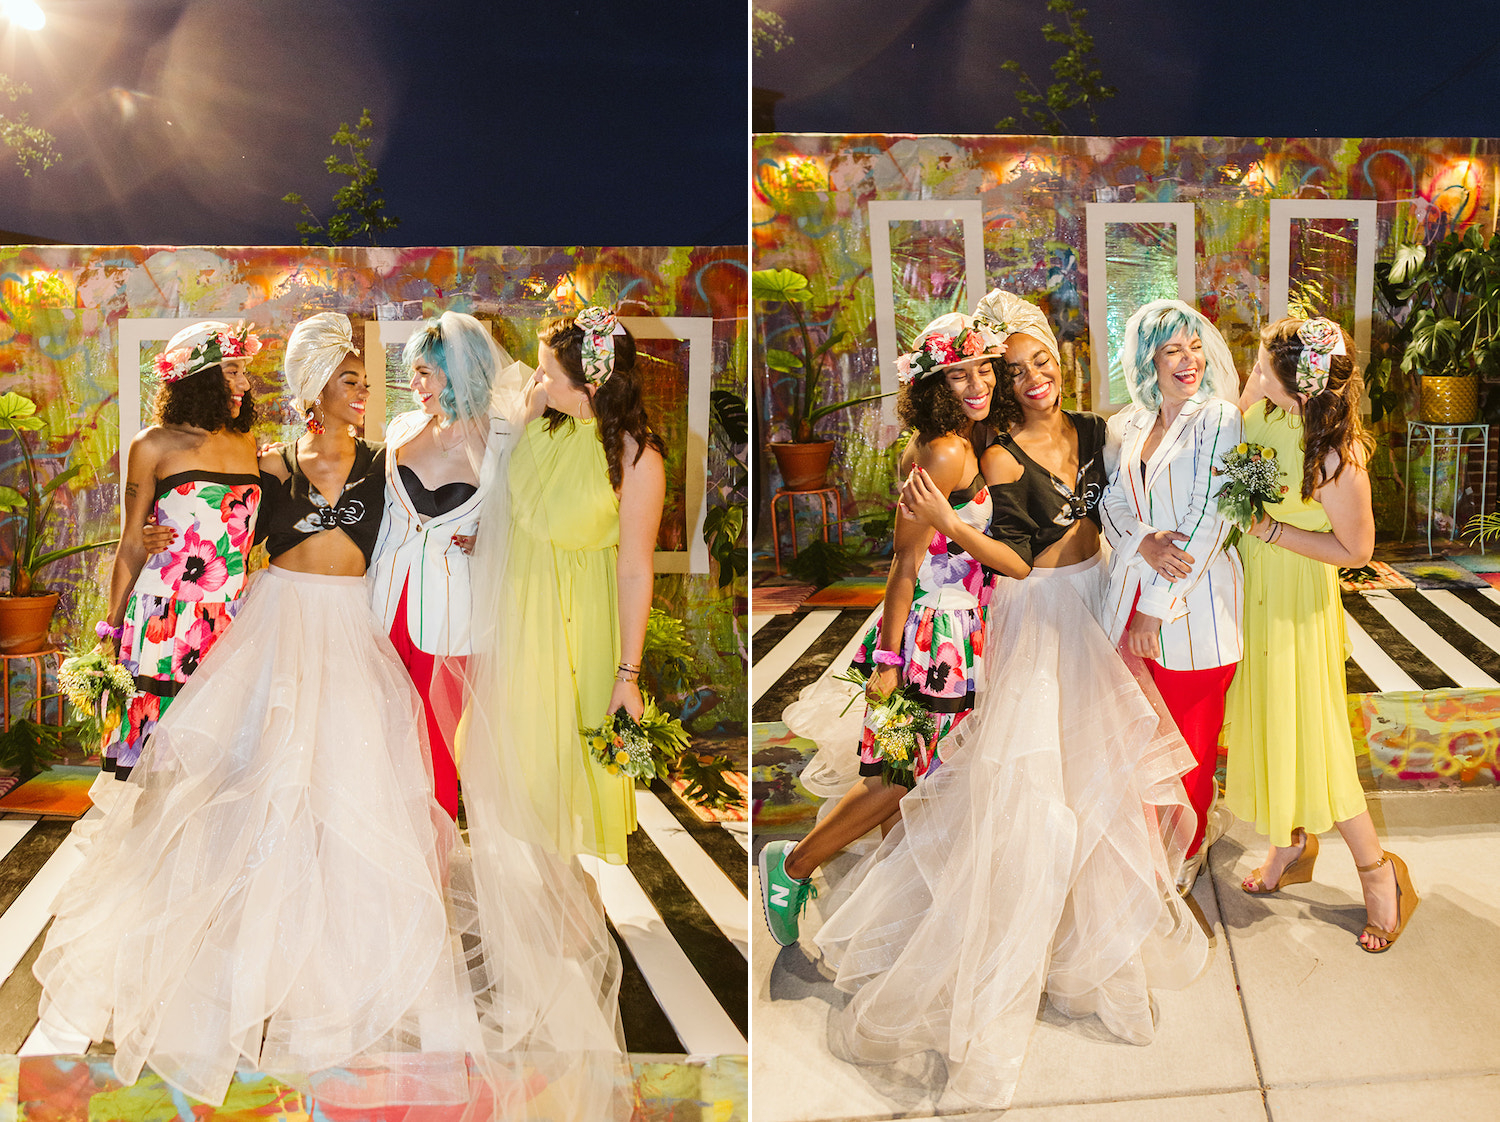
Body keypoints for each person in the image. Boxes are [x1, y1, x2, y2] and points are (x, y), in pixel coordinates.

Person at [34, 311, 624, 1109]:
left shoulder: (387, 460)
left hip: (355, 631)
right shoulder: (264, 462)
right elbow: (200, 538)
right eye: (351, 381)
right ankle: (243, 956)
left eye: (369, 382)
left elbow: (465, 497)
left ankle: (359, 961)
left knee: (359, 792)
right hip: (275, 627)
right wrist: (144, 620)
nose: (366, 394)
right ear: (316, 388)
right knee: (260, 788)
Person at [812, 288, 1208, 1111]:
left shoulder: (1101, 432)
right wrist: (892, 652)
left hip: (1094, 615)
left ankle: (1087, 958)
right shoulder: (989, 456)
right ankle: (997, 977)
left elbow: (1138, 494)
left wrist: (1158, 544)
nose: (1030, 379)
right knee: (1028, 802)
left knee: (1097, 794)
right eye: (1010, 367)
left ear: (1061, 363)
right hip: (1032, 623)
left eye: (1039, 363)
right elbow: (988, 560)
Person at [759, 311, 1021, 947]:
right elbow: (904, 567)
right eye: (960, 375)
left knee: (915, 775)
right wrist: (889, 659)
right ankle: (792, 867)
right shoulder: (945, 450)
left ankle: (893, 900)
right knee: (898, 777)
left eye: (985, 369)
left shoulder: (961, 441)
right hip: (933, 637)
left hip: (959, 629)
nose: (978, 383)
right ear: (936, 385)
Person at [1226, 317, 1417, 953]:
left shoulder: (1338, 456)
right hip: (1256, 593)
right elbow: (1231, 419)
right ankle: (1290, 844)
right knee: (1272, 723)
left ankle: (1378, 873)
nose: (1252, 373)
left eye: (1261, 367)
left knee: (1318, 738)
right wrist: (1255, 385)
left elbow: (1358, 550)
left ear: (1298, 385)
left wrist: (1272, 531)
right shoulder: (1265, 417)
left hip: (1299, 603)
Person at [462, 306, 665, 864]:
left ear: (590, 386)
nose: (535, 379)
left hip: (579, 629)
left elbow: (634, 568)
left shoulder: (636, 459)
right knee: (520, 767)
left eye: (548, 372)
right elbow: (496, 500)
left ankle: (570, 903)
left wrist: (628, 674)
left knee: (564, 768)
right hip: (518, 618)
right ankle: (554, 902)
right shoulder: (536, 421)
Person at [1100, 299, 1245, 887]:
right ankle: (1146, 848)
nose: (1188, 360)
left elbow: (1209, 518)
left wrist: (1156, 610)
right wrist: (1142, 542)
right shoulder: (1127, 424)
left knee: (1189, 744)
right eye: (1171, 350)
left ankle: (1180, 859)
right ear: (1148, 360)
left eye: (1193, 346)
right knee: (1140, 739)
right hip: (1129, 596)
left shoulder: (1217, 417)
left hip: (1196, 609)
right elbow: (1108, 504)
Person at [369, 311, 521, 820]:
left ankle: (429, 867)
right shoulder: (403, 427)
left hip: (453, 619)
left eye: (424, 373)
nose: (413, 384)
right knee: (377, 736)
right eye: (412, 372)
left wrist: (494, 538)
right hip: (381, 606)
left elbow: (529, 519)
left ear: (459, 372)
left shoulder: (508, 439)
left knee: (435, 743)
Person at [95, 321, 262, 780]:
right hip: (165, 618)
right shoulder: (151, 445)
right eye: (232, 371)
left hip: (231, 614)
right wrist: (109, 629)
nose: (244, 384)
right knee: (162, 761)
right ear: (199, 376)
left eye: (242, 372)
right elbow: (132, 541)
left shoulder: (247, 444)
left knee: (222, 756)